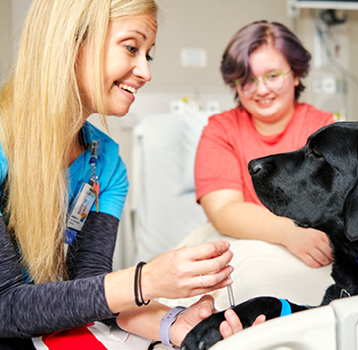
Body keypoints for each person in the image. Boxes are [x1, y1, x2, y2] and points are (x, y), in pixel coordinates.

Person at [0, 1, 262, 349]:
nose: (145, 72)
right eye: (131, 48)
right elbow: (5, 307)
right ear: (71, 41)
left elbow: (89, 290)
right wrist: (145, 281)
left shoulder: (105, 164)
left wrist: (172, 323)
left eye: (147, 55)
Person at [195, 21, 335, 268]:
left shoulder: (323, 128)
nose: (261, 90)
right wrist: (289, 232)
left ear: (295, 74)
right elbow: (224, 210)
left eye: (272, 76)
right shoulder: (220, 130)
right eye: (247, 80)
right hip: (244, 252)